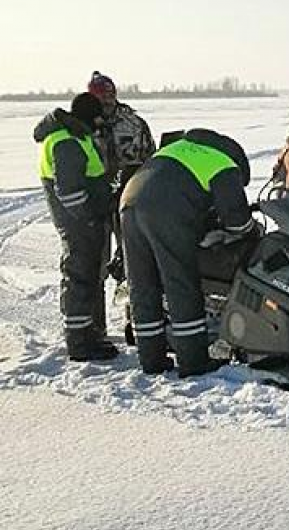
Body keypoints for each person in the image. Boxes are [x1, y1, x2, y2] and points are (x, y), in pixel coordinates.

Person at [120, 128, 255, 376]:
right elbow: (237, 222)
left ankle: (151, 360)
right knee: (180, 282)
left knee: (143, 284)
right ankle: (193, 361)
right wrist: (250, 229)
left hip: (129, 203)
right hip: (166, 211)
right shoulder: (224, 164)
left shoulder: (180, 148)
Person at [33, 93, 118, 361]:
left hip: (84, 222)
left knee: (88, 277)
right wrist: (89, 216)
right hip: (79, 224)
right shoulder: (66, 141)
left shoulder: (76, 136)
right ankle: (79, 343)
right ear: (88, 117)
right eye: (97, 119)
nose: (100, 124)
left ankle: (88, 334)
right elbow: (69, 192)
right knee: (79, 277)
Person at [87, 71, 156, 340]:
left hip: (129, 200)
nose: (106, 101)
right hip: (93, 204)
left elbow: (150, 159)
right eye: (100, 96)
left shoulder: (133, 123)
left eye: (109, 95)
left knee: (134, 263)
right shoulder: (80, 125)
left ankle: (136, 320)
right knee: (94, 266)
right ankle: (95, 328)